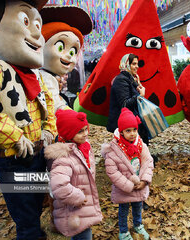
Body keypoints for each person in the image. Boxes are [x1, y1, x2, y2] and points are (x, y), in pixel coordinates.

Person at [0, 1, 57, 239]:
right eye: (26, 22)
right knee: (26, 219)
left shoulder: (35, 76)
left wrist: (48, 129)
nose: (37, 34)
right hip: (15, 160)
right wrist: (13, 136)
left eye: (38, 24)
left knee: (35, 207)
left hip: (38, 155)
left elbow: (49, 103)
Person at [44, 109, 103, 239]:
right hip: (74, 209)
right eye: (80, 131)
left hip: (81, 207)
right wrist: (78, 198)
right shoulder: (64, 158)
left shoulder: (83, 147)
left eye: (86, 129)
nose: (85, 134)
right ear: (68, 133)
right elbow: (59, 186)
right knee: (83, 235)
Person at [101, 108, 153, 240]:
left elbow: (148, 163)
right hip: (124, 188)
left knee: (138, 206)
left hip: (139, 185)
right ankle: (123, 231)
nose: (132, 134)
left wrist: (144, 181)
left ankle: (138, 224)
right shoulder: (114, 150)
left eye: (134, 130)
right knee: (123, 210)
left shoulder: (141, 146)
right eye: (128, 130)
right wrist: (128, 185)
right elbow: (113, 172)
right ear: (122, 132)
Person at [40, 4, 92, 112]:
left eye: (73, 52)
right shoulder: (44, 78)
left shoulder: (52, 77)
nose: (68, 55)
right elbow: (54, 106)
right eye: (60, 47)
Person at [107, 53, 149, 144]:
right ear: (125, 64)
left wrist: (138, 84)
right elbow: (125, 104)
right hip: (125, 125)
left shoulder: (130, 79)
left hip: (131, 122)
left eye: (137, 64)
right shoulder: (121, 80)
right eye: (133, 64)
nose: (137, 66)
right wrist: (140, 96)